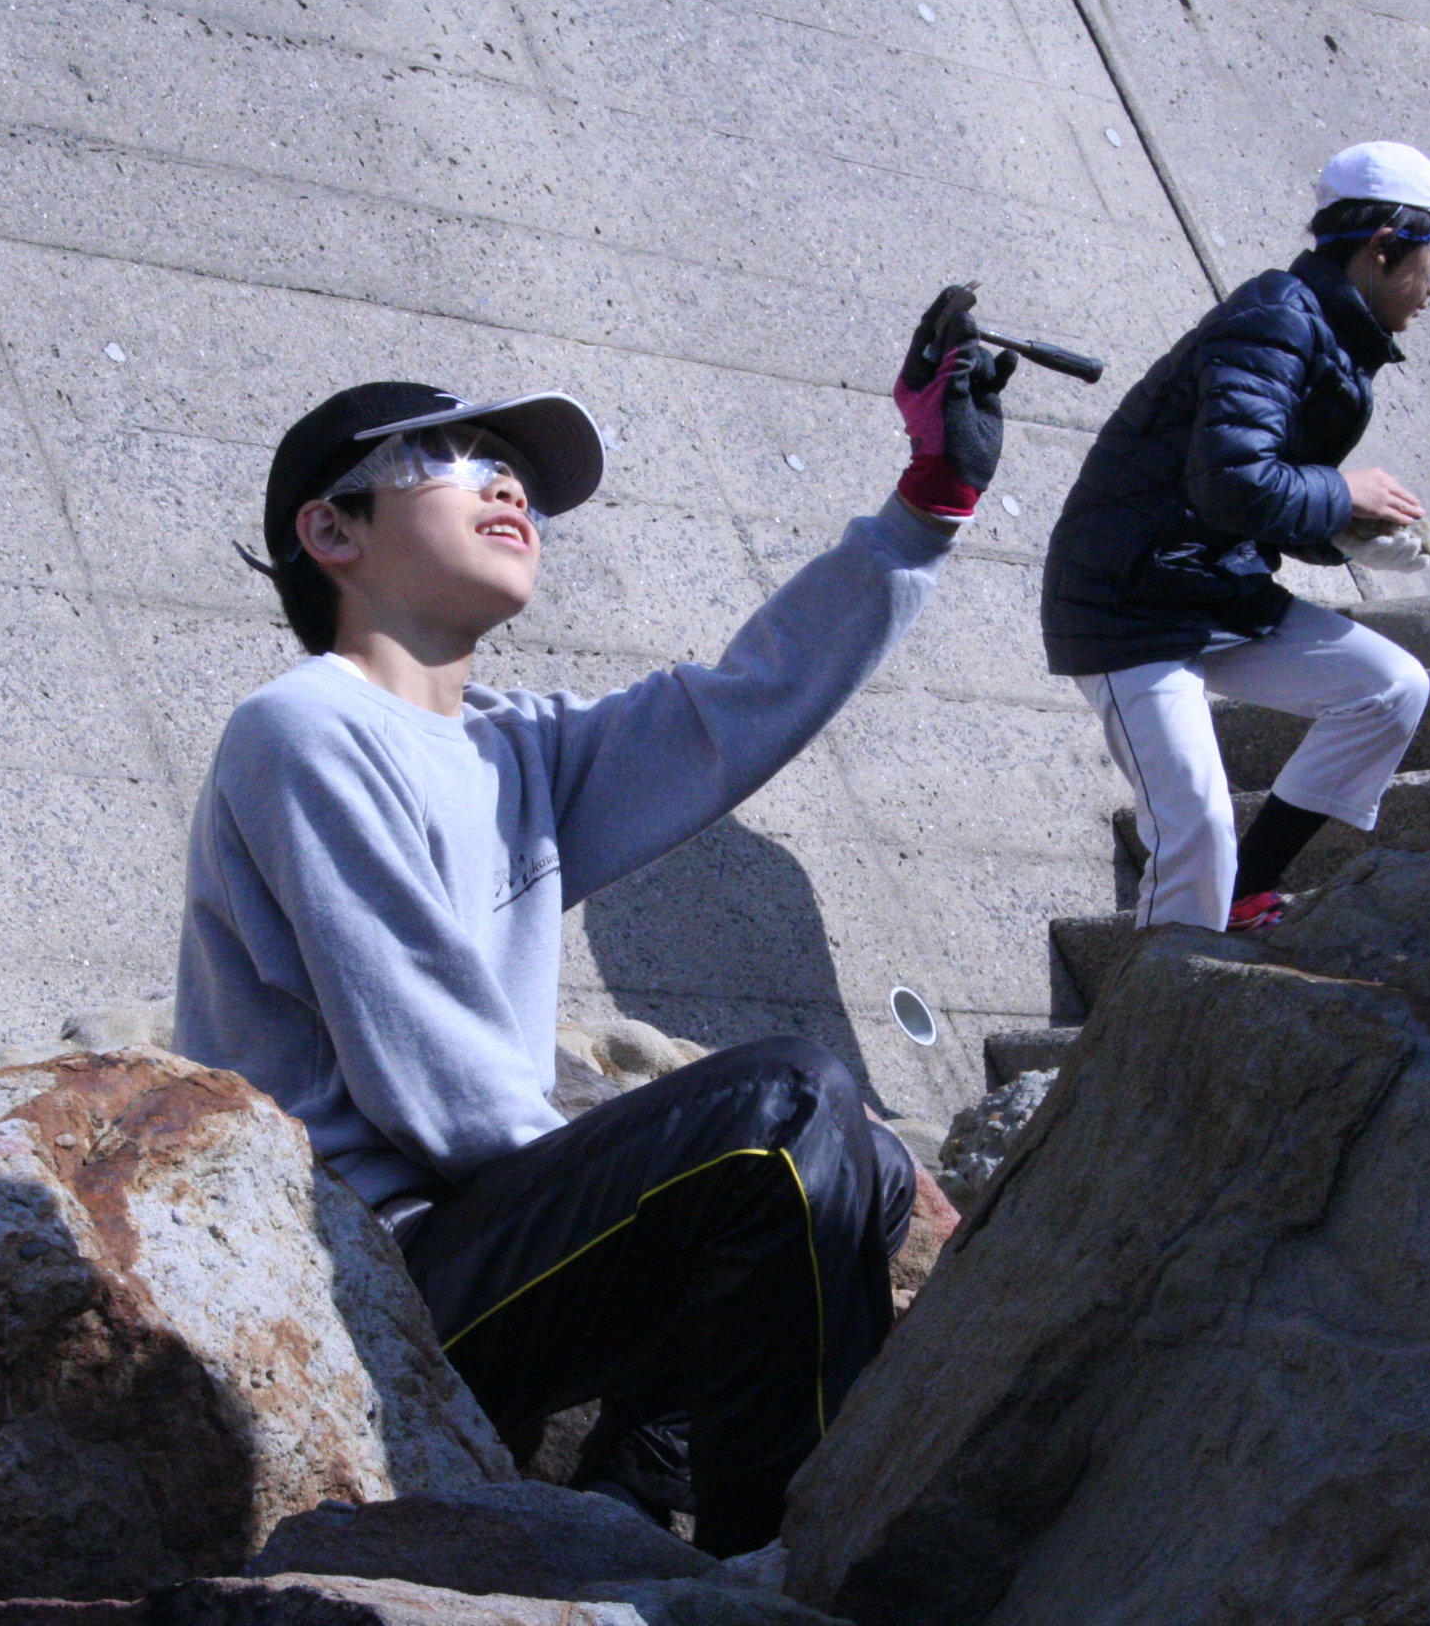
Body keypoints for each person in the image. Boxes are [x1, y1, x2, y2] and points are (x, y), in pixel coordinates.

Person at [173, 289, 1014, 1554]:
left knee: (861, 1158)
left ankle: (638, 1487)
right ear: (330, 527)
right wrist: (643, 1181)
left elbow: (741, 704)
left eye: (516, 470)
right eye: (451, 458)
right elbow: (439, 1086)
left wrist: (926, 505)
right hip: (370, 1291)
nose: (506, 486)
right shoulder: (305, 728)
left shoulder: (518, 748)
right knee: (781, 1110)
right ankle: (783, 1560)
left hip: (488, 1250)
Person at [1039, 141, 1430, 932]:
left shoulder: (1329, 337)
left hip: (1211, 588)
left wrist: (1349, 532)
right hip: (1126, 607)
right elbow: (1234, 481)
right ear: (1383, 248)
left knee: (1389, 689)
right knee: (1196, 830)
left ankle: (1248, 888)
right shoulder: (1274, 319)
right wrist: (1343, 493)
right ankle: (1153, 1025)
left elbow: (1264, 495)